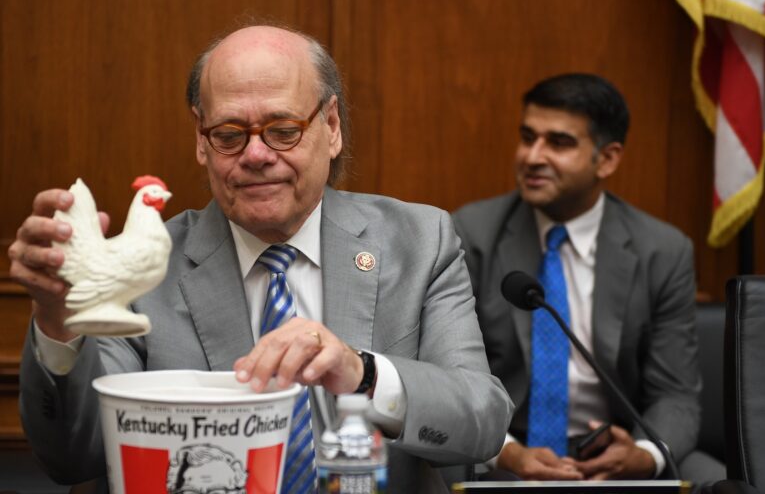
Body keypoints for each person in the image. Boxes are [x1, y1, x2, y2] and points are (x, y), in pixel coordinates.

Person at [8, 24, 513, 493]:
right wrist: (57, 320)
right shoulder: (147, 272)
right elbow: (72, 457)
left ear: (331, 126)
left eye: (282, 129)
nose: (255, 155)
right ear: (201, 140)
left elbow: (482, 424)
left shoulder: (419, 242)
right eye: (229, 134)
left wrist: (360, 371)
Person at [453, 73, 723, 483]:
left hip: (615, 447)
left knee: (722, 482)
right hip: (506, 446)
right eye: (528, 137)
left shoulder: (663, 251)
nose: (532, 156)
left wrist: (645, 455)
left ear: (608, 159)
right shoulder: (471, 235)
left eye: (558, 143)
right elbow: (453, 376)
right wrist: (506, 452)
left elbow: (675, 393)